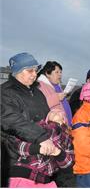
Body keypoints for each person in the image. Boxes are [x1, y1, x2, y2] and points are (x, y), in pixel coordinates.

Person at [1, 52, 69, 187]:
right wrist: (42, 137)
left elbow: (44, 115)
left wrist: (52, 116)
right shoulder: (5, 92)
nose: (34, 74)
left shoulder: (37, 92)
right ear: (17, 71)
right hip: (17, 157)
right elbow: (11, 120)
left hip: (43, 157)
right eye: (29, 70)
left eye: (36, 70)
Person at [37, 61, 75, 186]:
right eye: (57, 72)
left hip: (60, 127)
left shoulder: (53, 86)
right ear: (47, 73)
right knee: (53, 162)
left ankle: (56, 183)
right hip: (50, 130)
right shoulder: (41, 85)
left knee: (58, 162)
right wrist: (56, 97)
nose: (60, 75)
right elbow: (40, 104)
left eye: (61, 72)